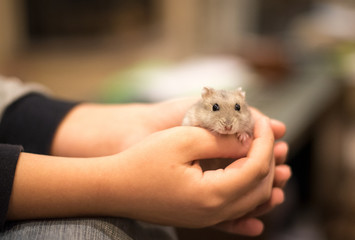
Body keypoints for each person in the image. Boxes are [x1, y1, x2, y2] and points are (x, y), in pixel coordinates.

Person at [0, 76, 291, 239]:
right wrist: (119, 186)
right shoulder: (196, 115)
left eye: (237, 111)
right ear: (204, 102)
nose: (228, 122)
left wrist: (134, 123)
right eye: (217, 110)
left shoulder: (243, 118)